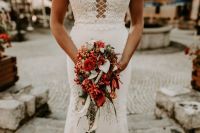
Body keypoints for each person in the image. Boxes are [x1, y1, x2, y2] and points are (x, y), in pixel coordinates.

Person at [50, 0, 143, 132]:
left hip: (119, 57)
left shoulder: (123, 60)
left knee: (115, 108)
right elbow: (55, 23)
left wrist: (125, 59)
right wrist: (80, 61)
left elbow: (138, 23)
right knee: (81, 107)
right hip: (77, 54)